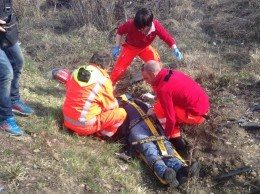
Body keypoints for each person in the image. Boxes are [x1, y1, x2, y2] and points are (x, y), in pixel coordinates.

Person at [116, 95, 200, 187]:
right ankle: (164, 172)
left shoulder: (138, 102)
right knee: (149, 147)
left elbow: (152, 109)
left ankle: (181, 169)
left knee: (165, 144)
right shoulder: (118, 109)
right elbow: (120, 126)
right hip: (135, 127)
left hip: (151, 123)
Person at [52, 52, 127, 137]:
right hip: (84, 127)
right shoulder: (104, 81)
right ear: (106, 66)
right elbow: (109, 107)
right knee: (121, 113)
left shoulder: (76, 72)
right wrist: (122, 100)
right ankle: (102, 136)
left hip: (67, 120)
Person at [141, 60, 210, 152]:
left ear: (153, 74)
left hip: (197, 116)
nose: (146, 82)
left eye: (146, 78)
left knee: (158, 109)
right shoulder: (170, 73)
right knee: (160, 104)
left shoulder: (164, 90)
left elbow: (171, 118)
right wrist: (156, 98)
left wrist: (166, 135)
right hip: (203, 107)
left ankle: (177, 142)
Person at [110, 8, 183, 84]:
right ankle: (108, 86)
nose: (140, 30)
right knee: (118, 70)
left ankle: (158, 83)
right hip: (130, 47)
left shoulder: (156, 26)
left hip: (145, 48)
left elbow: (167, 37)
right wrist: (117, 46)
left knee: (156, 64)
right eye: (138, 28)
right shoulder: (131, 24)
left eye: (142, 29)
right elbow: (119, 32)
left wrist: (175, 49)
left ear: (149, 25)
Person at [0, 0, 34, 136]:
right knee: (6, 73)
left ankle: (13, 99)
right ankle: (4, 117)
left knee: (18, 62)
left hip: (7, 30)